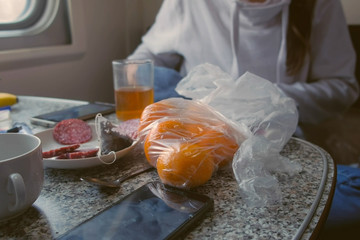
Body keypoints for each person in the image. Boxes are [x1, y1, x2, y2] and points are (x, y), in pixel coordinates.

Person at [128, 0, 360, 237]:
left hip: (274, 145)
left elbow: (342, 87)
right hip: (195, 142)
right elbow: (142, 61)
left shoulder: (321, 4)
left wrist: (261, 100)